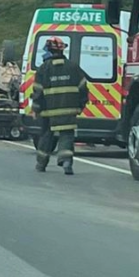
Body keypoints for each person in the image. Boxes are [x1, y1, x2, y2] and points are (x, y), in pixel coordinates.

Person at [32, 37, 88, 175]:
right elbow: (83, 88)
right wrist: (81, 105)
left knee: (46, 136)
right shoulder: (73, 67)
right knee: (67, 135)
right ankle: (66, 162)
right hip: (69, 110)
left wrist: (36, 109)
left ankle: (41, 163)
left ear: (48, 50)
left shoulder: (43, 69)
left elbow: (38, 91)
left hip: (48, 111)